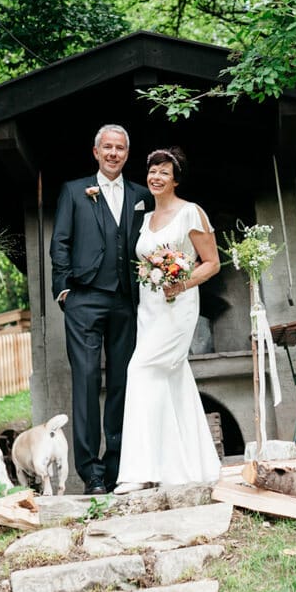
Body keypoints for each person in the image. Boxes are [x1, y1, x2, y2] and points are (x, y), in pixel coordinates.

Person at [49, 124, 154, 495]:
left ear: (127, 154)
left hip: (127, 301)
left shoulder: (143, 195)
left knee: (124, 383)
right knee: (88, 380)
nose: (113, 153)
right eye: (107, 147)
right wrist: (63, 291)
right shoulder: (75, 191)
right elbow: (60, 241)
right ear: (96, 152)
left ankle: (118, 467)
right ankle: (91, 472)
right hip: (84, 299)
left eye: (120, 148)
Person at [113, 147, 222, 494]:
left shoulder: (191, 213)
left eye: (164, 171)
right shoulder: (144, 220)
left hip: (178, 308)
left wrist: (181, 283)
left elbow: (211, 263)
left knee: (140, 371)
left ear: (175, 178)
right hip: (149, 309)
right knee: (173, 382)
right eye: (152, 171)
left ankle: (138, 470)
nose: (156, 177)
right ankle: (192, 465)